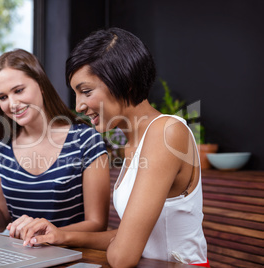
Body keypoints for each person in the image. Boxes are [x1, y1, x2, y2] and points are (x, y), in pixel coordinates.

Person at [19, 28, 209, 267]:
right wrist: (60, 236)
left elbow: (122, 256)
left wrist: (119, 246)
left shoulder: (166, 133)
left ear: (125, 83)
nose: (78, 106)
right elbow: (130, 239)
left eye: (86, 91)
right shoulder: (132, 143)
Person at [0, 49, 111, 238]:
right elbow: (0, 222)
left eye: (19, 90)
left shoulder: (85, 140)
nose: (12, 103)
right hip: (22, 257)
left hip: (74, 256)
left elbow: (97, 224)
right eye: (3, 97)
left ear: (41, 85)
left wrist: (47, 233)